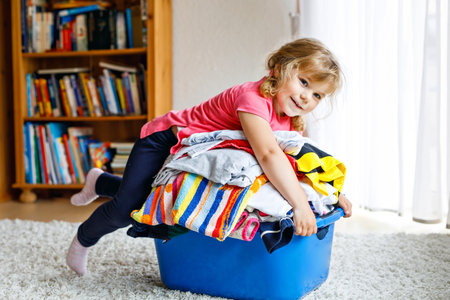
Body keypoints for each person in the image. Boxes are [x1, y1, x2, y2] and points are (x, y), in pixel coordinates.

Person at [66, 38, 353, 275]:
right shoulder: (252, 99)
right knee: (127, 208)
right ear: (278, 68)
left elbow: (297, 163)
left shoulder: (288, 119)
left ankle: (101, 182)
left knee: (155, 197)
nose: (307, 98)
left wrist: (327, 194)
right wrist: (301, 206)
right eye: (303, 82)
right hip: (165, 139)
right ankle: (83, 239)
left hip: (197, 151)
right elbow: (268, 156)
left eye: (317, 95)